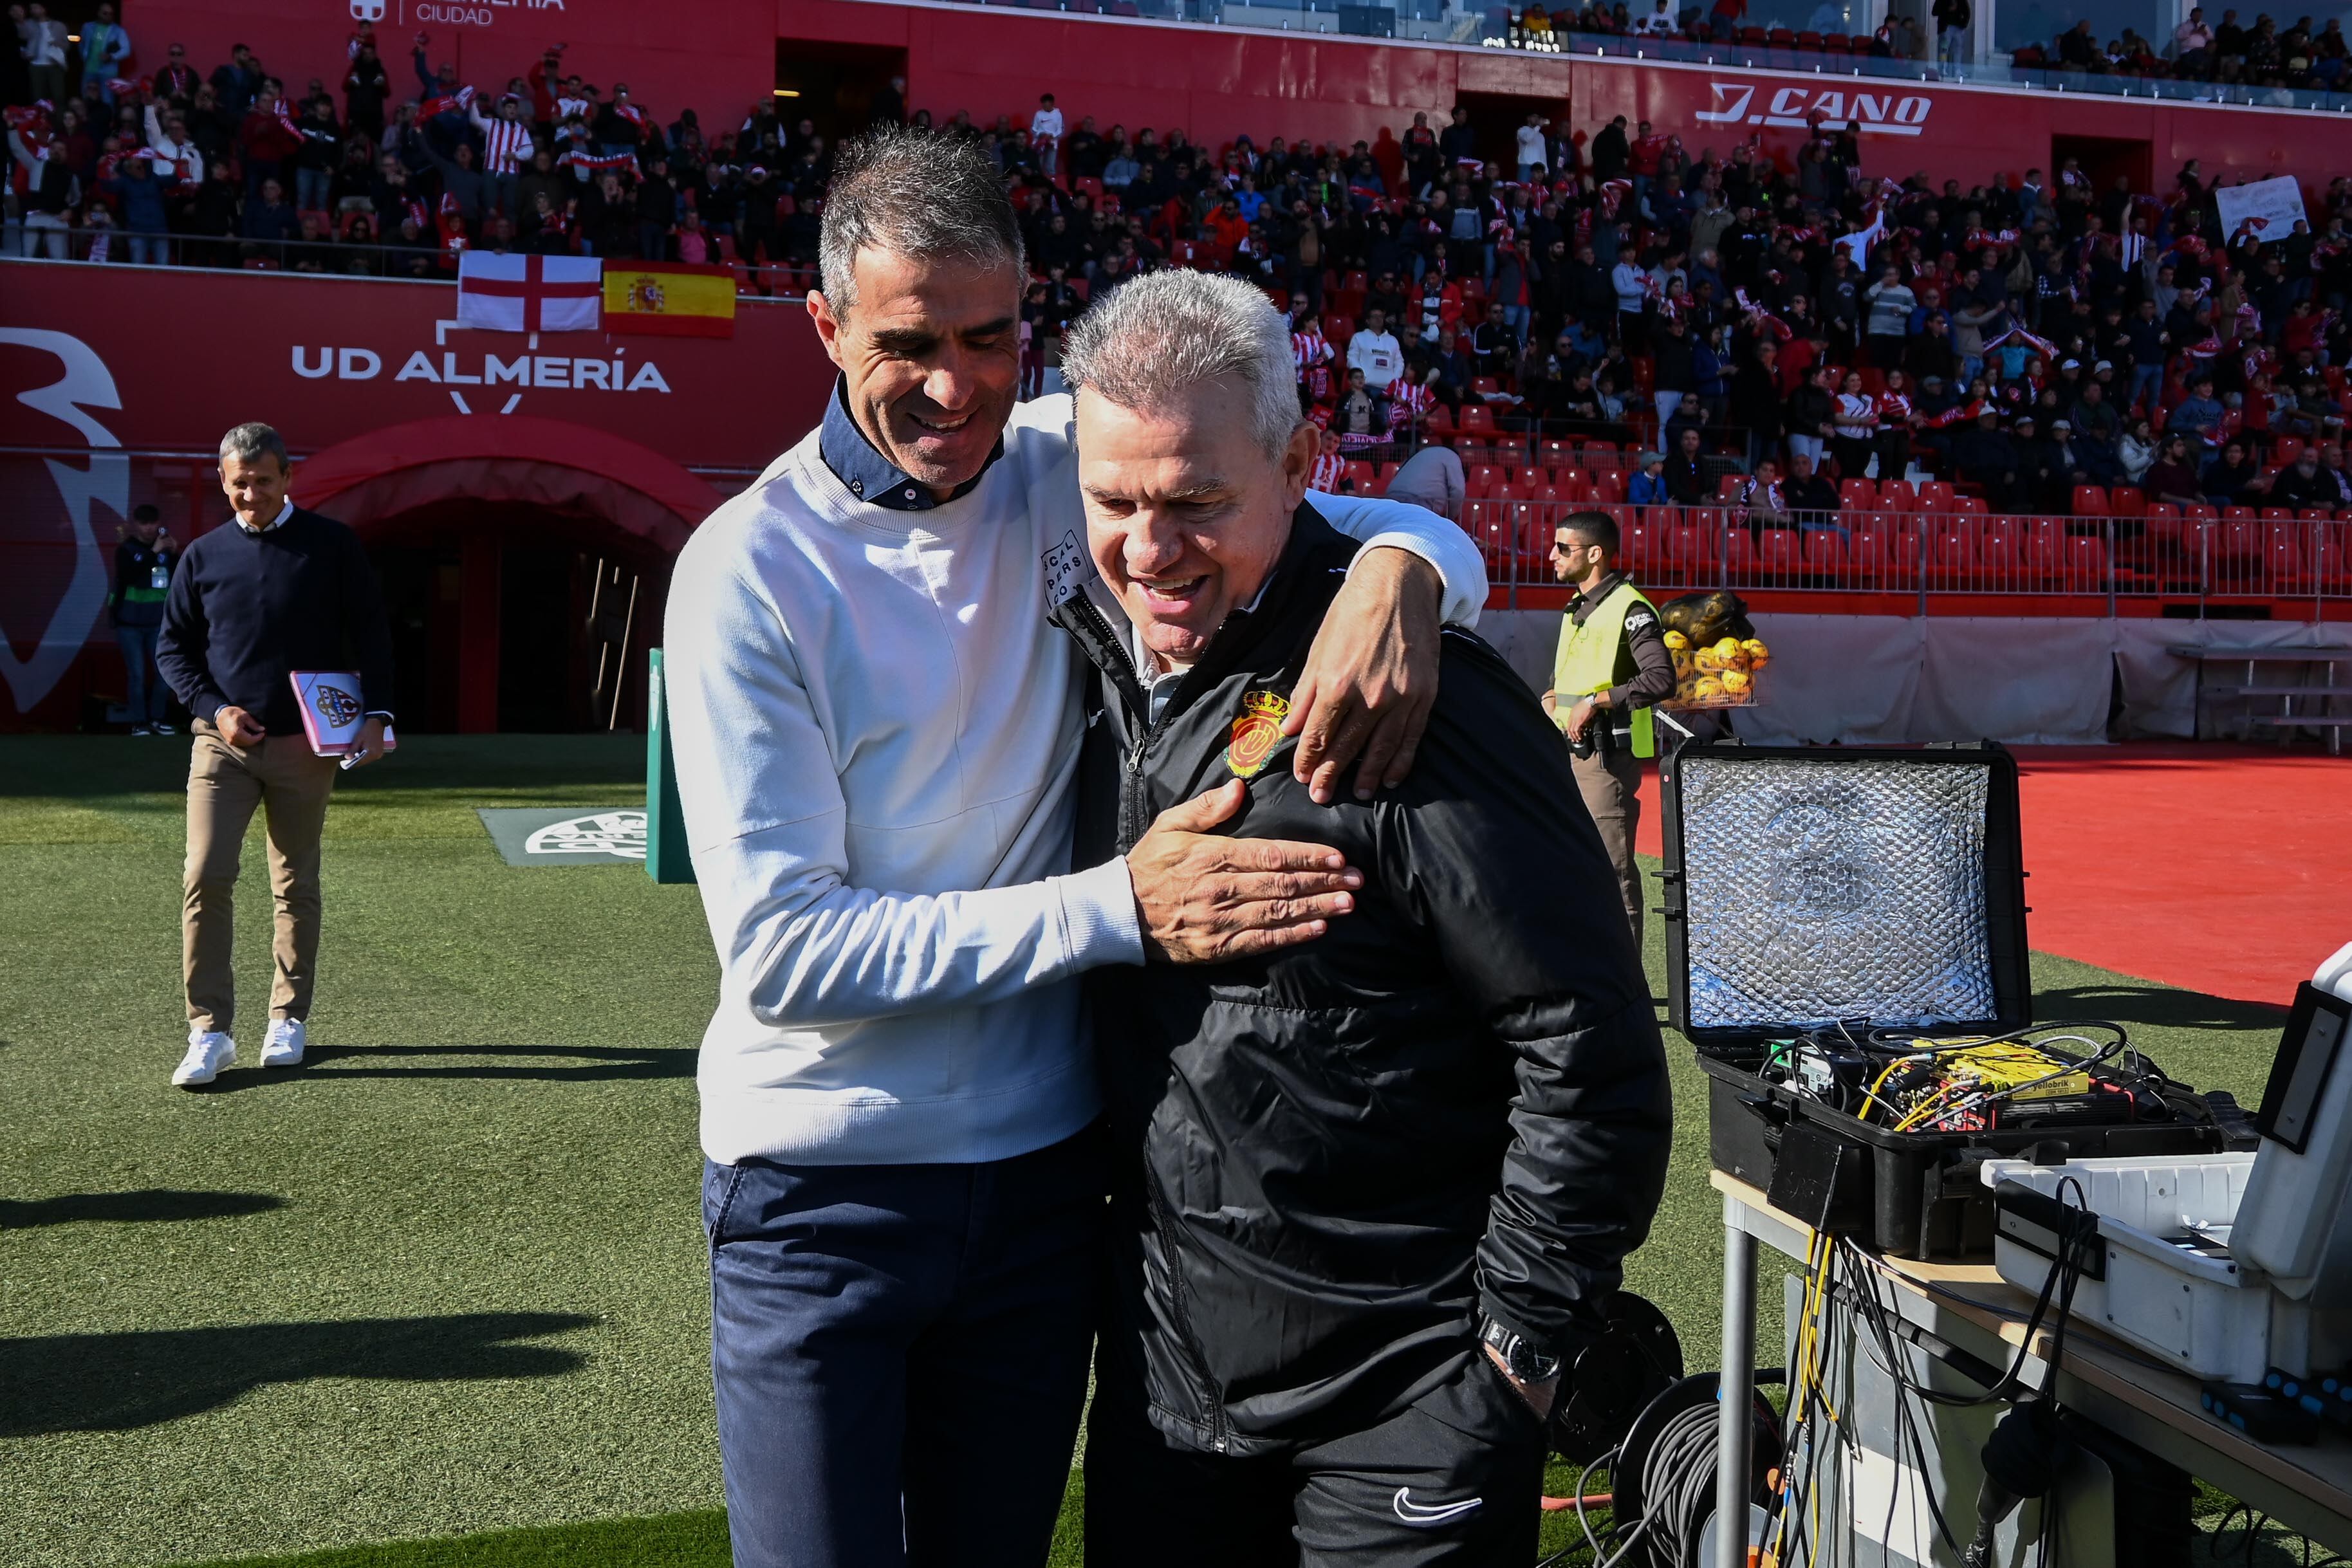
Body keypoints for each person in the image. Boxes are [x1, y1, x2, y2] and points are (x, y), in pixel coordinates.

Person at [660, 126, 1486, 1568]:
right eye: (908, 341)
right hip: (820, 1192)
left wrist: (1406, 573)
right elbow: (787, 954)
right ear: (822, 325)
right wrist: (1122, 906)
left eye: (991, 338)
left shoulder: (1063, 460)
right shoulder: (747, 567)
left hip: (1047, 1185)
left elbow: (1366, 514)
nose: (955, 385)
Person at [1054, 271, 1672, 1567]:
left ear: (1298, 465)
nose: (1150, 552)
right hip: (1169, 1396)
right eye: (1115, 502)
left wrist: (1510, 1355)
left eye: (1197, 504)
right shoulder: (1089, 646)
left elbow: (1589, 1044)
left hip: (1406, 1402)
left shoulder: (1413, 695)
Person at [155, 423, 396, 1090]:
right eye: (239, 483)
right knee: (205, 875)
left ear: (289, 478)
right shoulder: (201, 555)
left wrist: (377, 715)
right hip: (221, 746)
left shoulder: (332, 546)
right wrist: (215, 710)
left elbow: (371, 632)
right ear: (224, 482)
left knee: (295, 884)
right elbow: (172, 649)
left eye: (264, 481)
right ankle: (209, 1029)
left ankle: (288, 1016)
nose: (251, 494)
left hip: (305, 747)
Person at [1544, 508, 1675, 948]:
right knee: (1573, 868)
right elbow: (1573, 679)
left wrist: (1595, 701)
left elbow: (1660, 679)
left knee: (1611, 871)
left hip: (1605, 761)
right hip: (1570, 756)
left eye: (1563, 548)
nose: (1552, 556)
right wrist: (1554, 699)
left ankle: (1627, 995)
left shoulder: (1630, 607)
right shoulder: (1577, 608)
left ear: (1595, 553)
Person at [112, 504, 180, 735]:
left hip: (158, 623)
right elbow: (129, 575)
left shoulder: (164, 549)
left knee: (163, 674)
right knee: (137, 674)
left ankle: (157, 720)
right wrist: (153, 552)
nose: (149, 528)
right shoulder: (127, 549)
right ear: (136, 525)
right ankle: (138, 722)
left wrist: (174, 552)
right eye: (144, 523)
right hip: (129, 623)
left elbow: (179, 578)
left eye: (152, 523)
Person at [1384, 442, 1467, 521]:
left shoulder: (1420, 453)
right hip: (1421, 500)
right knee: (1418, 533)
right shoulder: (1452, 456)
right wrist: (1451, 517)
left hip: (1392, 497)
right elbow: (1458, 491)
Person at [1030, 92, 1062, 178]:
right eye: (1043, 104)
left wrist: (1052, 135)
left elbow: (1060, 129)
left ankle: (1051, 185)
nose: (1044, 106)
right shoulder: (1038, 114)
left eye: (1046, 104)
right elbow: (1033, 128)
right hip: (1040, 143)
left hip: (1052, 144)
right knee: (1038, 165)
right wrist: (1040, 134)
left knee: (1050, 167)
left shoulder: (1058, 114)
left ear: (1052, 103)